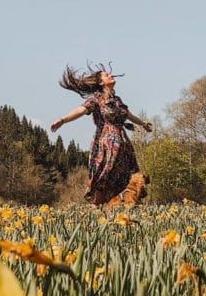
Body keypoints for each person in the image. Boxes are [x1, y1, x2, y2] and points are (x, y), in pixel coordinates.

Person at [51, 64, 152, 205]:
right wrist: (63, 120)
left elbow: (128, 115)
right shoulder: (96, 99)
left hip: (123, 144)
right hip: (106, 144)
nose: (110, 75)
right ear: (101, 82)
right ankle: (96, 207)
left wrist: (142, 123)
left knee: (127, 176)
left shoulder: (118, 100)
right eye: (106, 75)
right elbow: (80, 110)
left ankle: (125, 205)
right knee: (104, 174)